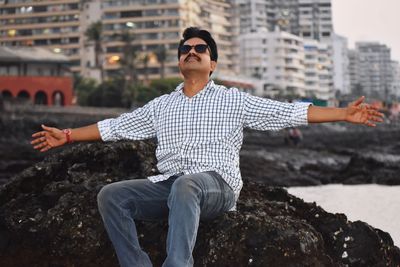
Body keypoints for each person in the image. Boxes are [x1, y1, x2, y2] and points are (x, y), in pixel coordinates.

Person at [31, 27, 384, 267]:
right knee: (111, 195)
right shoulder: (161, 106)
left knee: (188, 184)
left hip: (217, 187)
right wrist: (68, 135)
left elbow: (288, 111)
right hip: (170, 187)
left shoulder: (233, 100)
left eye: (200, 49)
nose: (192, 52)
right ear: (179, 61)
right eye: (186, 49)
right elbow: (115, 127)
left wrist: (343, 114)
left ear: (212, 64)